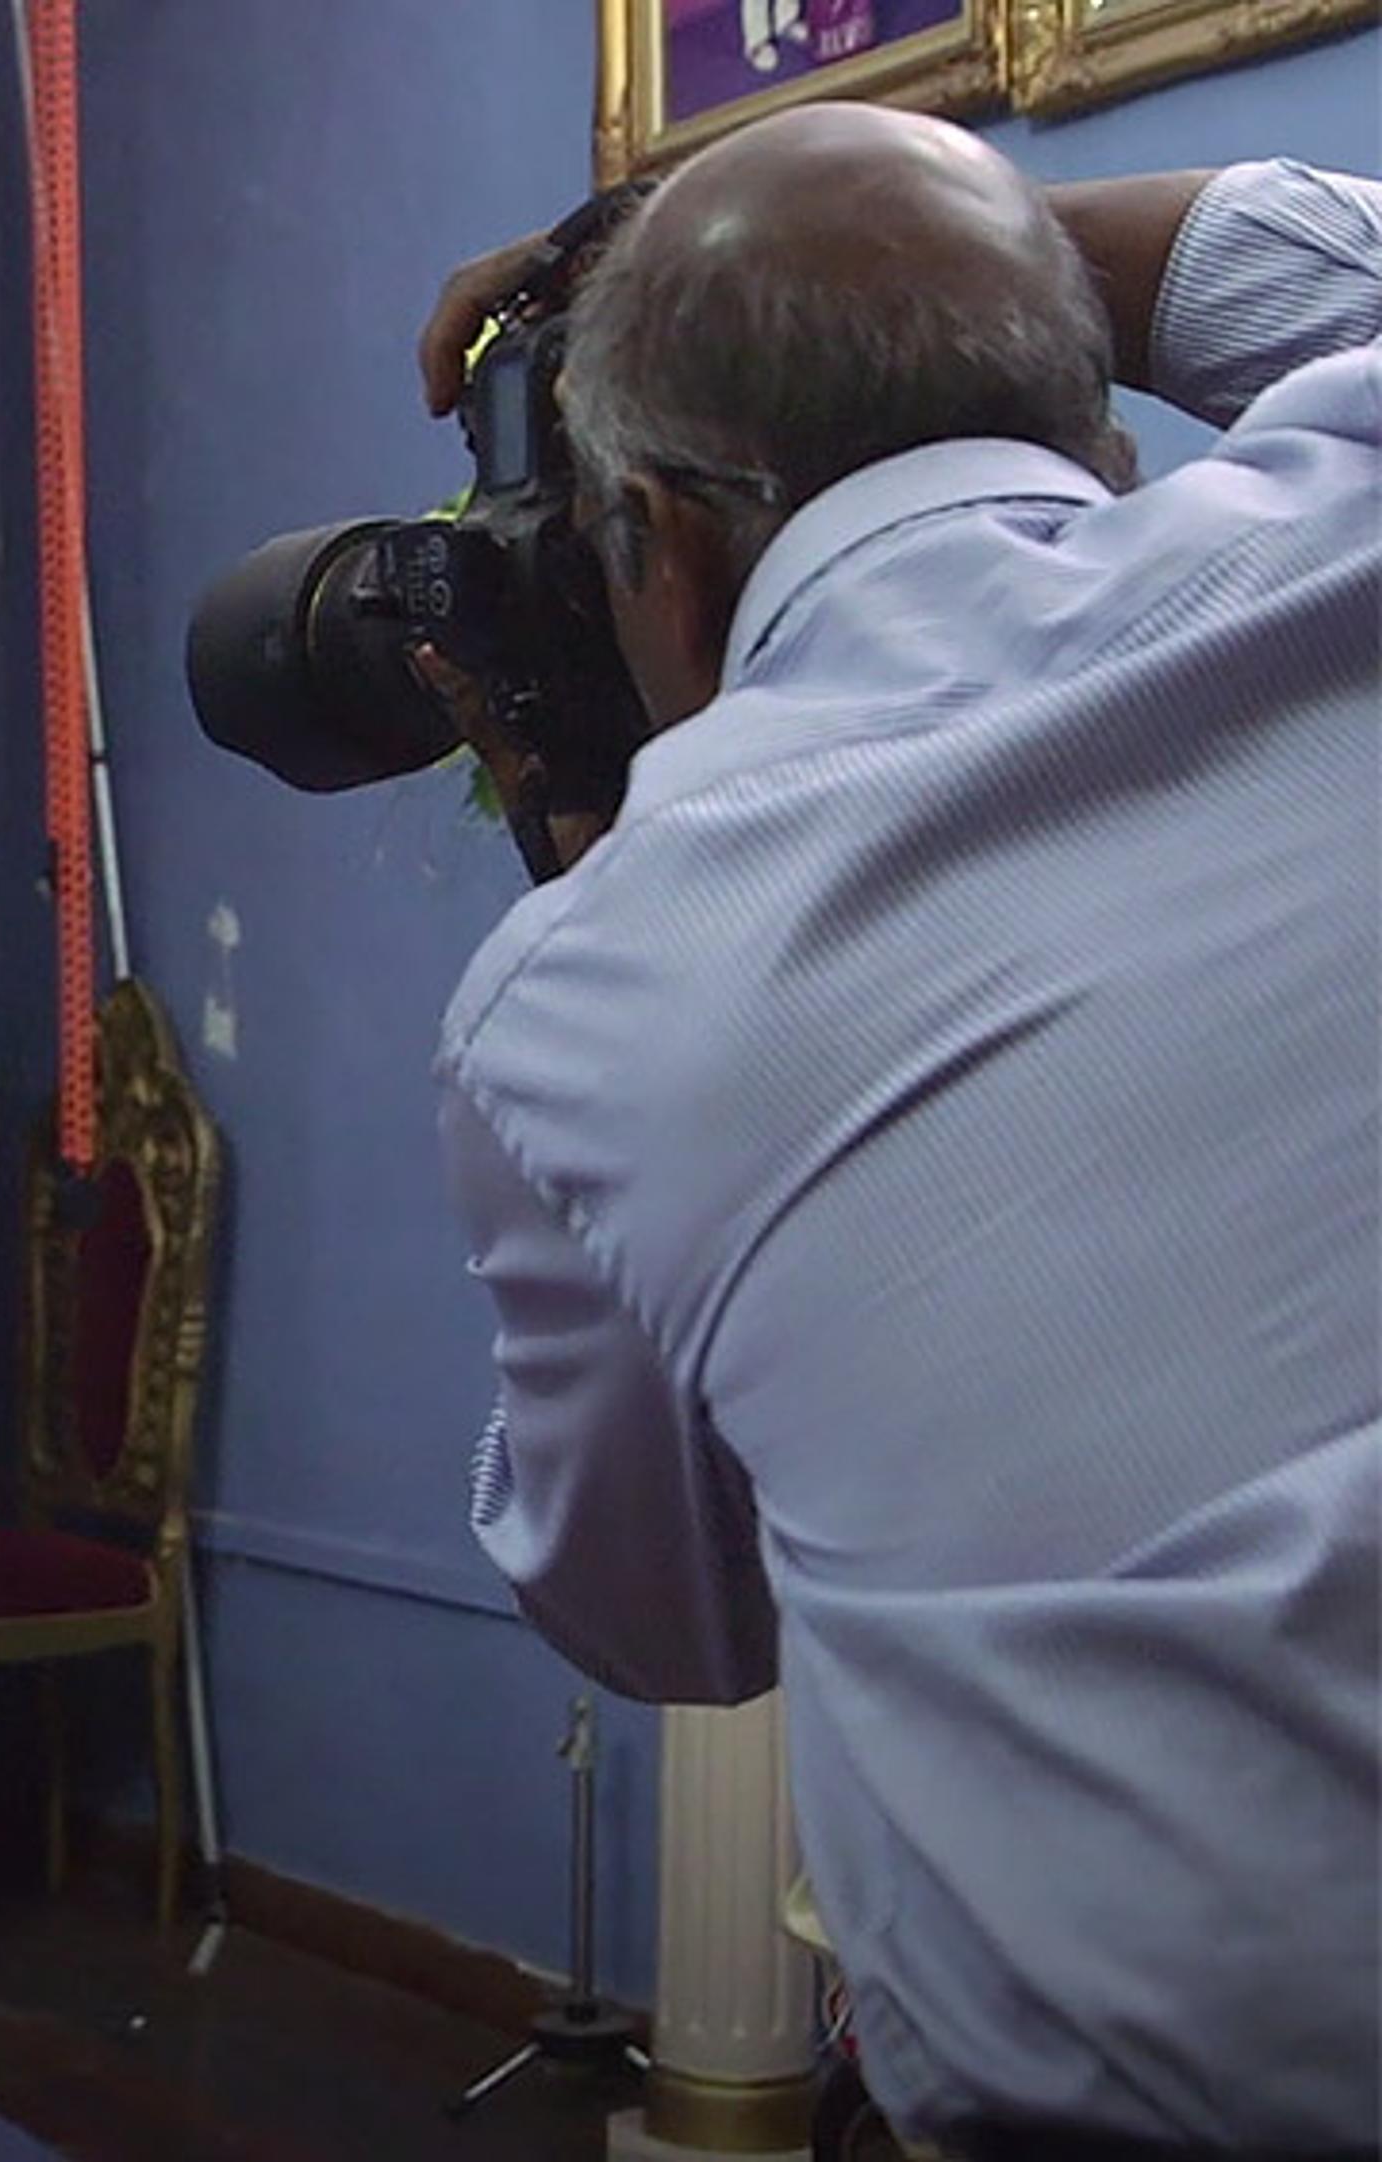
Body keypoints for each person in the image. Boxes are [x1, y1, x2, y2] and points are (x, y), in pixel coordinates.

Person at [411, 112, 1379, 2159]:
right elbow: (1318, 261)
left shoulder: (584, 990)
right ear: (1105, 442)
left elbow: (668, 1620)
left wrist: (576, 871)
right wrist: (974, 258)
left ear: (645, 551)